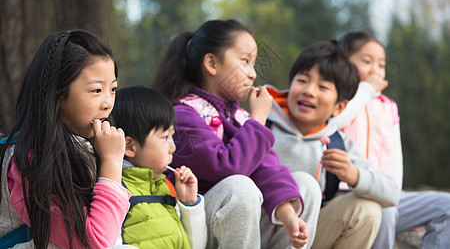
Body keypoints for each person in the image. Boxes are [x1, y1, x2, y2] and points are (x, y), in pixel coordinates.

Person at [152, 19, 322, 249]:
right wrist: (258, 121)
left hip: (240, 226)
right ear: (212, 63)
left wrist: (289, 216)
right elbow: (228, 167)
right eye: (245, 61)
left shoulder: (240, 117)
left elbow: (268, 169)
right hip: (196, 228)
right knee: (239, 187)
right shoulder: (183, 115)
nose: (253, 74)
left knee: (305, 185)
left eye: (253, 63)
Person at [0, 30, 133, 248]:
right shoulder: (29, 158)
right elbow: (94, 240)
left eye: (113, 89)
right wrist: (111, 163)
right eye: (97, 90)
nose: (108, 102)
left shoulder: (88, 145)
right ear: (59, 92)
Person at [266, 41, 400, 249]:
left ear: (339, 107)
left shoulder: (337, 144)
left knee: (367, 210)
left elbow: (392, 192)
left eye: (323, 87)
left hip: (304, 238)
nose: (309, 91)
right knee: (302, 182)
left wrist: (353, 174)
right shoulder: (262, 123)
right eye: (302, 80)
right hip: (258, 232)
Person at [334, 31, 450, 249]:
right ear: (343, 61)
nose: (375, 70)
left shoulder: (388, 107)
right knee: (383, 211)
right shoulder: (338, 99)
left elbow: (396, 160)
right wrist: (364, 91)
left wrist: (393, 195)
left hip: (386, 194)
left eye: (381, 64)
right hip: (344, 194)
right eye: (367, 61)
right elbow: (336, 122)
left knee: (446, 206)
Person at [111, 85, 207, 248]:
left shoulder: (166, 188)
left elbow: (195, 246)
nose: (173, 148)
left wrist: (189, 204)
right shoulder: (116, 191)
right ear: (130, 147)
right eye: (164, 137)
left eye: (172, 136)